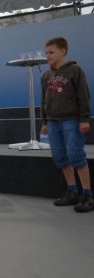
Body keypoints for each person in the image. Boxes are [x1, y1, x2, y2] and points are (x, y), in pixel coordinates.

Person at [40, 36, 93, 213]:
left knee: (76, 155)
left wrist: (84, 119)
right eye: (46, 52)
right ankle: (72, 191)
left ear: (62, 52)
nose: (47, 55)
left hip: (71, 119)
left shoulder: (75, 70)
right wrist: (45, 121)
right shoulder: (46, 75)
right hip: (53, 122)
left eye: (51, 52)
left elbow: (84, 95)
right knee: (60, 157)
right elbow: (44, 100)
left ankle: (87, 194)